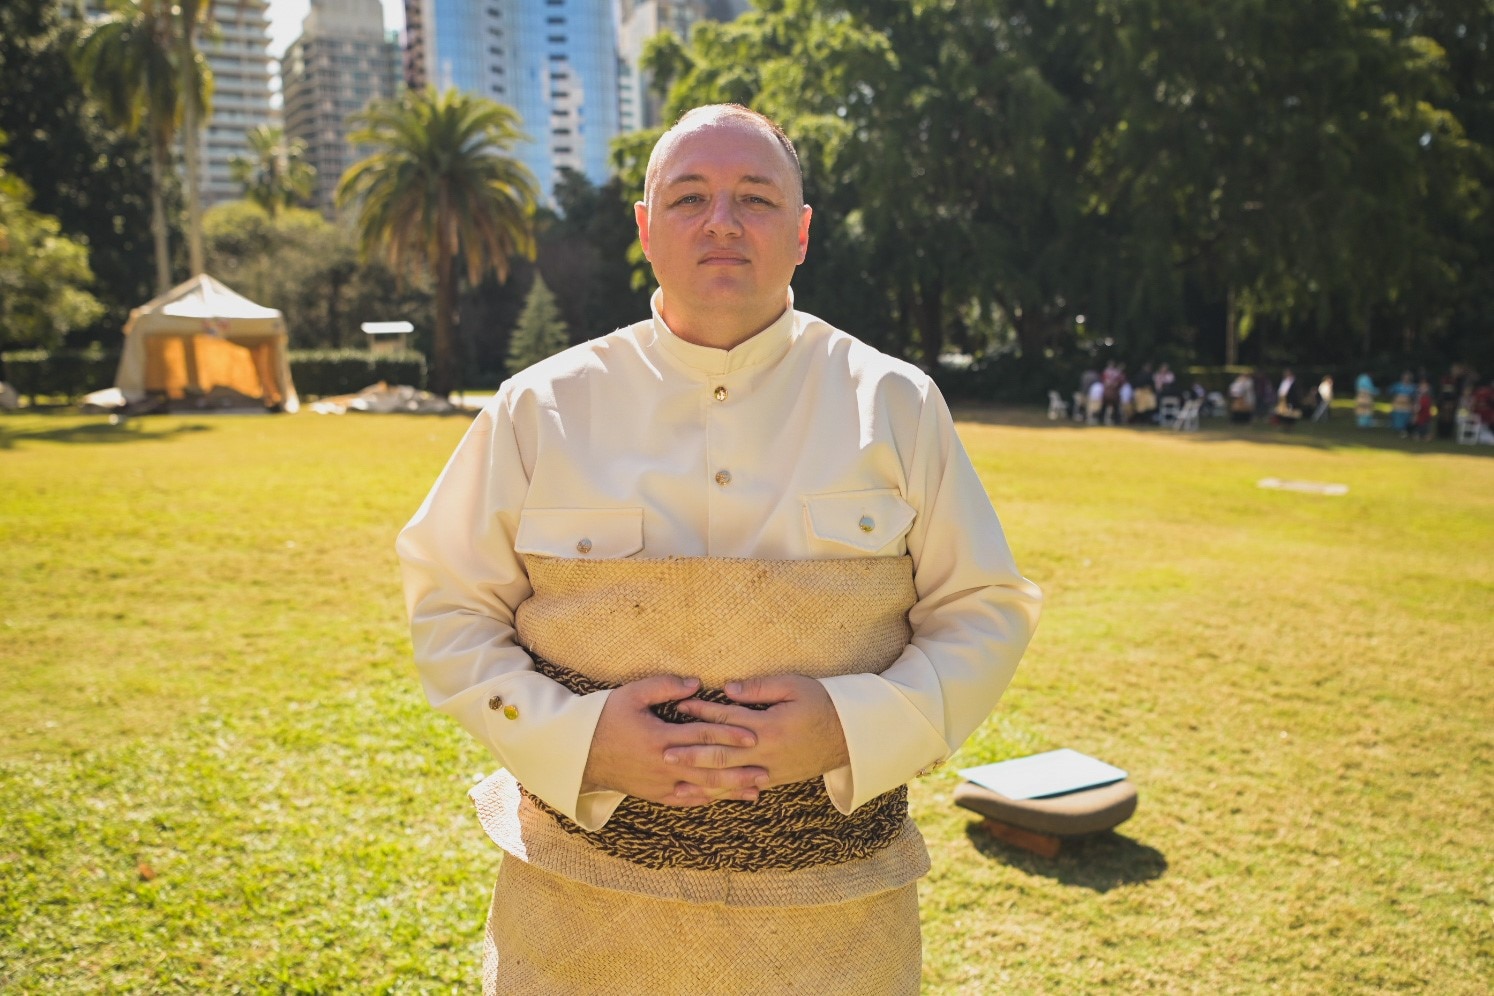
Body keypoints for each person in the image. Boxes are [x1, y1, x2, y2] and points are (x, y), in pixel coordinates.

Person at [396, 104, 1042, 994]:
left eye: (756, 198)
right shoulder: (538, 408)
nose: (723, 222)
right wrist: (577, 741)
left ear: (802, 232)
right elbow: (451, 608)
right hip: (578, 925)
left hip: (834, 933)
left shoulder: (895, 404)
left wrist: (852, 729)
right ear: (645, 228)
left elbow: (983, 609)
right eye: (690, 196)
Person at [1389, 371, 1417, 437]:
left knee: (1406, 418)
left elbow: (1414, 396)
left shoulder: (1412, 387)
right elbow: (1391, 392)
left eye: (1408, 377)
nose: (1406, 379)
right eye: (1405, 377)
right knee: (1398, 417)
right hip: (1398, 405)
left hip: (1407, 405)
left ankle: (1405, 430)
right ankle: (1399, 430)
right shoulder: (1397, 385)